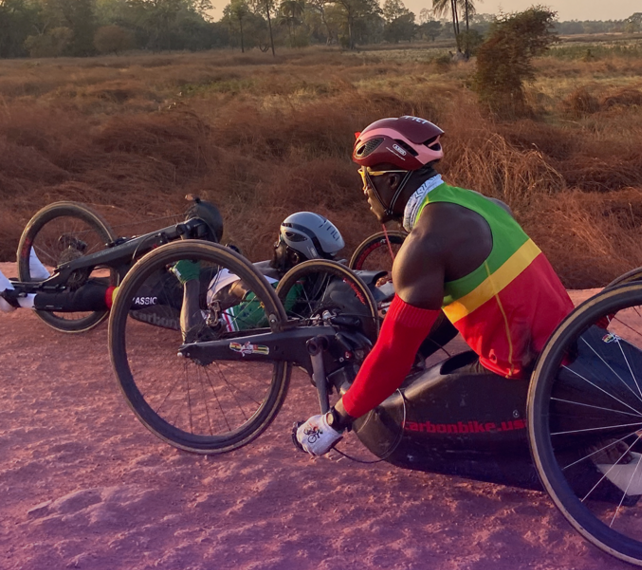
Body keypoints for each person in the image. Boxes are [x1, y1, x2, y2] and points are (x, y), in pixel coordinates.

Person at [294, 116, 576, 457]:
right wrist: (421, 351)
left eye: (366, 179)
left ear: (392, 180)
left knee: (403, 413)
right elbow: (455, 304)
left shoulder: (425, 242)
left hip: (526, 367)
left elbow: (393, 355)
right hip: (569, 342)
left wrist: (334, 420)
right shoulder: (480, 202)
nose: (365, 190)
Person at [0, 211, 347, 334]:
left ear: (295, 251)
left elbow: (195, 332)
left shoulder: (267, 301)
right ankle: (45, 275)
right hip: (207, 274)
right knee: (140, 255)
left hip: (186, 294)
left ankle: (22, 298)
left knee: (116, 296)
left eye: (280, 245)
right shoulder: (311, 280)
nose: (275, 249)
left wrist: (189, 276)